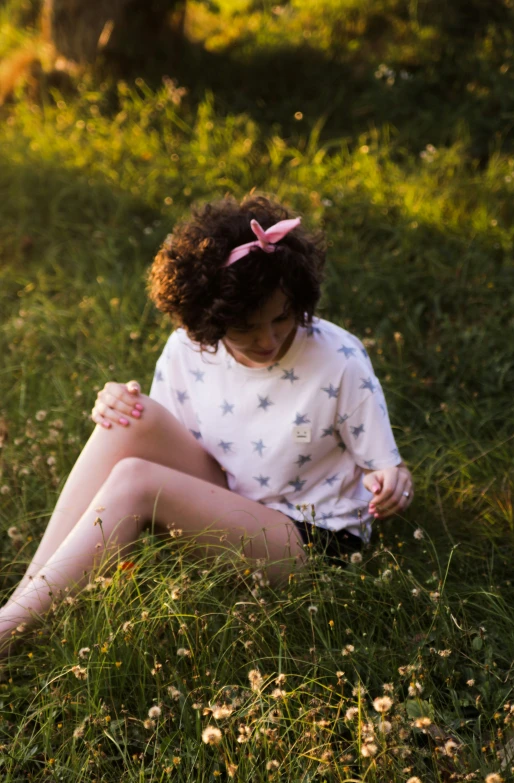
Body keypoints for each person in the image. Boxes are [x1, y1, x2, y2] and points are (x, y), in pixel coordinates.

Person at [0, 193, 413, 657]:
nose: (269, 339)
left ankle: (10, 631)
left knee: (137, 483)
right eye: (246, 328)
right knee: (131, 416)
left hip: (311, 539)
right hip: (231, 497)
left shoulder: (338, 359)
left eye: (281, 318)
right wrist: (114, 405)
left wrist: (392, 482)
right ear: (211, 321)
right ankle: (26, 600)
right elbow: (156, 440)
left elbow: (387, 468)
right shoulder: (188, 349)